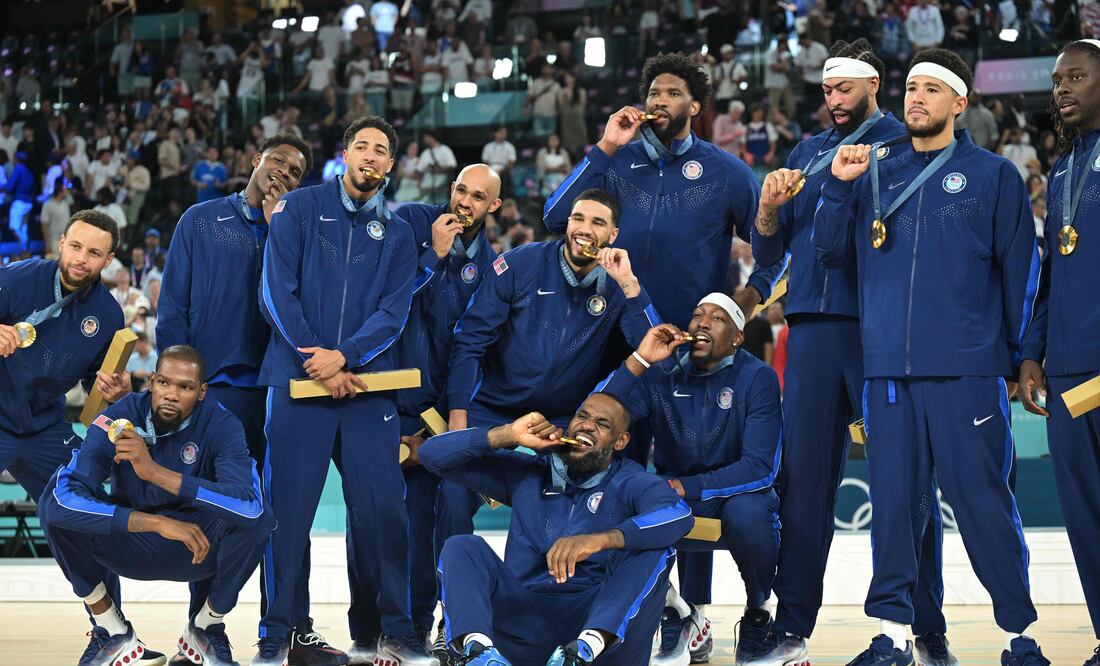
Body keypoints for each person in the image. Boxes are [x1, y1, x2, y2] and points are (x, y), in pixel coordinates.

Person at [814, 49, 1045, 665]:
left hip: (968, 370)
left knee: (984, 503)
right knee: (893, 508)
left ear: (959, 102)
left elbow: (1021, 273)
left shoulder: (995, 175)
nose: (916, 98)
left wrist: (1022, 356)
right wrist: (836, 187)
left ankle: (1019, 638)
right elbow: (829, 254)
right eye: (912, 87)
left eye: (932, 89)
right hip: (887, 370)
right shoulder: (872, 172)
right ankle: (892, 637)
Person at [750, 38, 954, 665]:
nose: (834, 100)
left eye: (844, 89)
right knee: (803, 485)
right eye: (826, 90)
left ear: (873, 85)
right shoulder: (806, 153)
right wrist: (767, 208)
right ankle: (792, 627)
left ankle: (924, 625)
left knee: (906, 480)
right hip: (810, 331)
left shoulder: (906, 143)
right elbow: (770, 253)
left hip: (880, 330)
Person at [253, 116, 429, 666]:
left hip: (366, 389)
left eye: (380, 150)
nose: (370, 156)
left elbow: (394, 312)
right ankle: (278, 632)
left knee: (383, 512)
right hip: (296, 383)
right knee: (286, 516)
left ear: (390, 165)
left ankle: (397, 628)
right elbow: (275, 291)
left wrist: (345, 356)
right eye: (362, 146)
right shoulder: (299, 208)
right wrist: (317, 359)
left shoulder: (398, 233)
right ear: (345, 154)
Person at [342, 164, 503, 664]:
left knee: (441, 516)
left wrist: (455, 422)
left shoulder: (493, 267)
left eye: (478, 197)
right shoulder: (411, 221)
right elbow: (381, 301)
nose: (465, 202)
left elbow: (471, 348)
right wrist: (430, 254)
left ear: (493, 206)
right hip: (381, 398)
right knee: (370, 518)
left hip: (439, 412)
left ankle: (424, 626)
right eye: (461, 190)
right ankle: (366, 629)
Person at [37, 345, 272, 666]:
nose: (171, 395)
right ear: (151, 381)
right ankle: (111, 630)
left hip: (197, 545)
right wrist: (158, 524)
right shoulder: (118, 419)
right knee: (53, 503)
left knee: (262, 517)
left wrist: (156, 473)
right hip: (131, 542)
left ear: (202, 392)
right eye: (164, 383)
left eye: (185, 387)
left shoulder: (222, 424)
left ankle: (207, 626)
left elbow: (249, 506)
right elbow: (62, 499)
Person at [421, 394, 693, 666]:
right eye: (582, 416)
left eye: (602, 424)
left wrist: (602, 540)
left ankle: (581, 652)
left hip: (600, 630)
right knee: (462, 547)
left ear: (620, 441)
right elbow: (431, 455)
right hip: (526, 627)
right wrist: (508, 434)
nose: (587, 425)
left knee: (655, 549)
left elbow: (679, 515)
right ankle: (479, 654)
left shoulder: (631, 480)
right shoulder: (528, 474)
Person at [598, 300, 781, 665]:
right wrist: (641, 358)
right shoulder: (662, 373)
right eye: (697, 315)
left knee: (749, 515)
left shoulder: (757, 377)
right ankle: (677, 611)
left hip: (735, 492)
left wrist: (687, 486)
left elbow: (760, 467)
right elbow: (598, 410)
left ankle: (758, 612)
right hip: (673, 491)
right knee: (615, 509)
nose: (703, 322)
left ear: (737, 338)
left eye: (717, 318)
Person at [544, 52, 775, 329]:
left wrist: (749, 298)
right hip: (611, 332)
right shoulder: (614, 161)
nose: (660, 101)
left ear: (694, 107)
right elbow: (555, 218)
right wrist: (606, 145)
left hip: (686, 335)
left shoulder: (728, 172)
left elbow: (774, 247)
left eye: (673, 93)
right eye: (654, 94)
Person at [0, 210, 134, 661]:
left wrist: (114, 389)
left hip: (44, 427)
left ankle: (112, 634)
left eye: (94, 253)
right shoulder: (15, 280)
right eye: (75, 246)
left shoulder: (108, 314)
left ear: (108, 260)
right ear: (61, 242)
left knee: (85, 514)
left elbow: (100, 386)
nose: (81, 259)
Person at [157, 134, 312, 466]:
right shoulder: (200, 219)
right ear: (256, 160)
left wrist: (279, 227)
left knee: (256, 488)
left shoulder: (299, 236)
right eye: (278, 160)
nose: (284, 171)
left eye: (294, 172)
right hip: (210, 379)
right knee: (196, 484)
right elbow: (173, 306)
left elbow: (302, 303)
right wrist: (176, 380)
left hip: (272, 386)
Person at [1019, 38, 1100, 665]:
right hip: (1070, 370)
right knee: (1085, 515)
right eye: (1057, 80)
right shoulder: (1065, 166)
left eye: (1076, 77)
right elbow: (1051, 272)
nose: (1062, 89)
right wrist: (1032, 352)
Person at [2, 150, 35, 250]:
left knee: (14, 228)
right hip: (29, 203)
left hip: (19, 202)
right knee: (23, 228)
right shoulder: (28, 171)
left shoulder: (18, 168)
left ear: (16, 159)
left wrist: (2, 187)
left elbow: (10, 186)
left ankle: (23, 250)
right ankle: (25, 250)